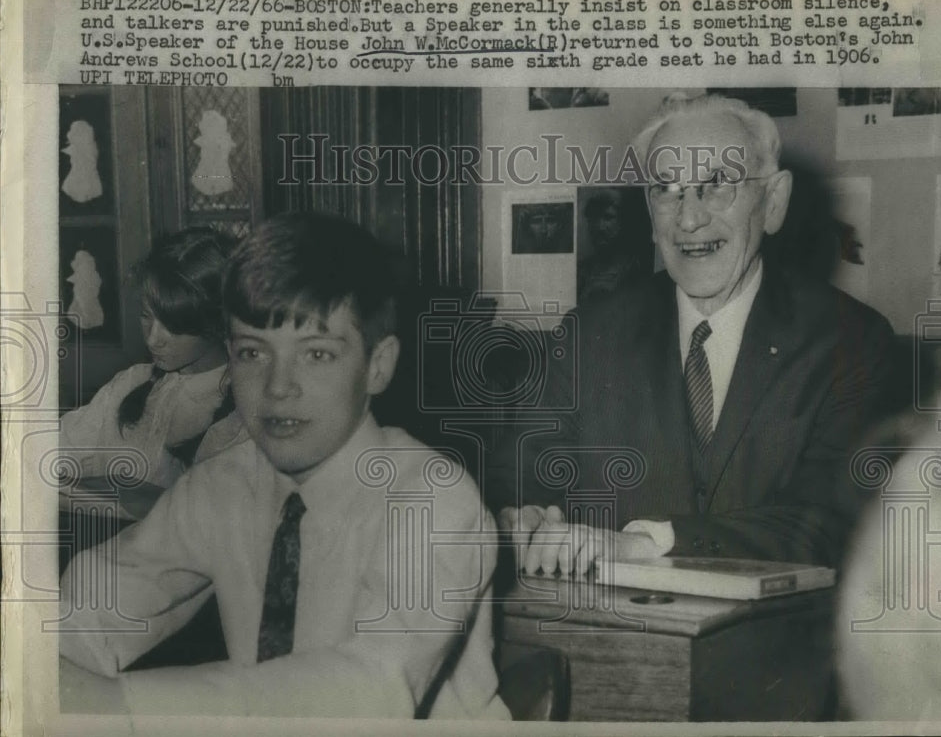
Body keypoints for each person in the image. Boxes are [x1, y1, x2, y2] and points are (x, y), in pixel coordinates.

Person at [59, 213, 508, 719]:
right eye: (252, 352)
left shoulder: (435, 498)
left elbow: (373, 684)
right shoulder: (221, 485)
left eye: (316, 354)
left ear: (377, 366)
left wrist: (123, 706)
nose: (277, 386)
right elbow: (94, 605)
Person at [494, 93, 895, 574]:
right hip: (614, 638)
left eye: (718, 184)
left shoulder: (852, 341)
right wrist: (524, 517)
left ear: (773, 202)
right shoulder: (588, 335)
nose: (688, 218)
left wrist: (654, 543)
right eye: (667, 189)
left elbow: (833, 525)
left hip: (777, 641)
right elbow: (518, 483)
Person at [60, 227, 236, 492]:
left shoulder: (246, 407)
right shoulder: (132, 382)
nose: (153, 339)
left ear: (216, 322)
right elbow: (51, 451)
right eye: (145, 316)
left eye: (172, 325)